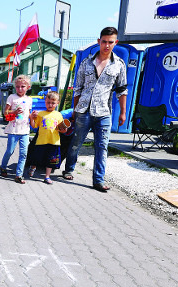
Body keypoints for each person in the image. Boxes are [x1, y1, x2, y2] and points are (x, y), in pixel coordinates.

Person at [62, 26, 127, 192]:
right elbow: (77, 88)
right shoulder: (86, 63)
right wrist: (75, 110)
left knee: (102, 146)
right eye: (104, 41)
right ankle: (69, 168)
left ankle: (98, 180)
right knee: (76, 143)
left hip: (104, 113)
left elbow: (122, 90)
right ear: (99, 41)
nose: (106, 45)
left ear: (115, 43)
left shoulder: (119, 65)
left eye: (110, 42)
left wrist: (123, 112)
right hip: (84, 111)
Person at [0, 75, 32, 184]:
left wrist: (33, 117)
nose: (20, 89)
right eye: (17, 87)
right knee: (10, 151)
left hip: (25, 131)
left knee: (23, 153)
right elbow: (6, 113)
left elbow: (29, 114)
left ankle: (19, 175)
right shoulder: (12, 97)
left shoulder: (29, 99)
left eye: (23, 86)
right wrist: (14, 112)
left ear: (28, 87)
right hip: (13, 130)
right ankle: (3, 166)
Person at [27, 92, 66, 185]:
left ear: (57, 103)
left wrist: (64, 129)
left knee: (51, 160)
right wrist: (31, 118)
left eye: (53, 103)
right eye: (48, 102)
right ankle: (33, 166)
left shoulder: (58, 115)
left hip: (54, 142)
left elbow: (62, 130)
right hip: (41, 141)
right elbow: (34, 126)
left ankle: (47, 176)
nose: (50, 105)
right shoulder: (40, 114)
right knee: (37, 157)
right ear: (45, 102)